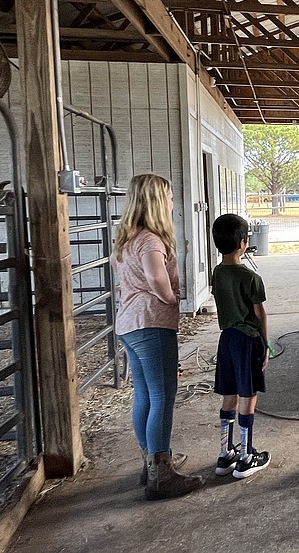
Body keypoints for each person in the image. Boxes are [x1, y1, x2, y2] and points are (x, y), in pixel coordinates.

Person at [112, 173, 202, 501]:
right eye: (168, 197)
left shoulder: (128, 238)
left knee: (145, 397)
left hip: (130, 324)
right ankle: (161, 474)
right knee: (162, 397)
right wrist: (173, 297)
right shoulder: (151, 241)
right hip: (152, 324)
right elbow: (157, 281)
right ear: (155, 202)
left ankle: (150, 461)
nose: (172, 203)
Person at [211, 213, 271, 480]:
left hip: (227, 339)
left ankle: (226, 453)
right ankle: (247, 456)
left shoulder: (217, 273)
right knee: (249, 396)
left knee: (230, 395)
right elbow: (260, 315)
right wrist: (266, 345)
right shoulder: (250, 277)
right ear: (243, 243)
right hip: (248, 340)